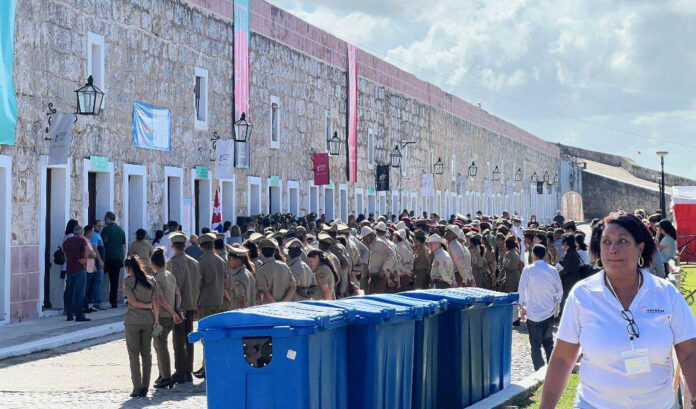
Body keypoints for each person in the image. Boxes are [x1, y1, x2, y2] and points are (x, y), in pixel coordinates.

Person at [539, 211, 696, 409]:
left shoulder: (665, 294)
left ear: (640, 248)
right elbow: (562, 358)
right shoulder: (583, 295)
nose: (613, 249)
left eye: (622, 241)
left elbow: (690, 352)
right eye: (606, 242)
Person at [518, 244, 563, 370]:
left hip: (532, 312)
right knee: (548, 342)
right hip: (548, 311)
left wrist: (522, 307)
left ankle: (539, 368)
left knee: (535, 344)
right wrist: (555, 302)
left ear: (533, 254)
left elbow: (521, 289)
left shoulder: (528, 270)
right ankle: (551, 368)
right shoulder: (552, 270)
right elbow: (559, 290)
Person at [122, 255, 161, 398]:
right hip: (148, 319)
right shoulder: (151, 280)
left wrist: (146, 305)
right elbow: (156, 302)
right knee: (147, 354)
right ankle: (145, 386)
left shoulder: (128, 282)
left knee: (134, 355)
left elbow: (133, 303)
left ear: (128, 268)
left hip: (133, 321)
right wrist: (156, 319)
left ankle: (136, 387)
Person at [166, 232, 200, 385]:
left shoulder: (173, 262)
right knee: (189, 339)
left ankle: (180, 371)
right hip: (192, 303)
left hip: (180, 305)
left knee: (178, 341)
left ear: (173, 246)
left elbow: (175, 287)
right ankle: (188, 371)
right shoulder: (194, 262)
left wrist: (175, 308)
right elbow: (198, 284)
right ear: (185, 246)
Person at [194, 232, 229, 379]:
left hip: (205, 302)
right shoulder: (221, 260)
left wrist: (195, 302)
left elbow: (198, 284)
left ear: (201, 247)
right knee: (216, 333)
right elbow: (226, 281)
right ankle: (212, 363)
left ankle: (207, 365)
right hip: (218, 301)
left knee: (206, 335)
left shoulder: (201, 262)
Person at [150, 248, 184, 390]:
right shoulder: (170, 275)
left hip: (163, 316)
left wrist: (167, 314)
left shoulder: (157, 278)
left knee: (160, 345)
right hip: (171, 316)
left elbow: (159, 299)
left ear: (153, 264)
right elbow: (177, 294)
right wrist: (177, 310)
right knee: (159, 345)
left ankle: (166, 376)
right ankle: (162, 373)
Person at [63, 224, 95, 322]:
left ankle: (69, 314)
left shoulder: (67, 241)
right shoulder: (82, 240)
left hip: (70, 269)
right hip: (80, 268)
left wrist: (69, 263)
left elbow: (65, 255)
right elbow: (89, 252)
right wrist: (85, 259)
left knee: (69, 292)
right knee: (80, 293)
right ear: (81, 232)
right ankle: (79, 315)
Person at [256, 238, 297, 303]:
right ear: (274, 252)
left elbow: (265, 292)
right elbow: (293, 287)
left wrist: (276, 305)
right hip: (285, 307)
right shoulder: (284, 266)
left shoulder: (261, 270)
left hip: (269, 308)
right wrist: (283, 302)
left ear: (260, 252)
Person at [360, 226, 397, 295]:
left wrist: (384, 269)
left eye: (364, 238)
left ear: (368, 236)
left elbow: (392, 254)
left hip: (379, 276)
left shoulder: (380, 243)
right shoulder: (372, 245)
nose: (363, 240)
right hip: (373, 276)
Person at [102, 211, 126, 308]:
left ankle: (94, 299)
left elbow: (102, 244)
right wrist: (122, 258)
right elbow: (124, 246)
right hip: (118, 259)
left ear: (108, 219)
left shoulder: (106, 230)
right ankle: (113, 302)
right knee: (114, 281)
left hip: (107, 258)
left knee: (98, 279)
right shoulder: (121, 231)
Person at [558, 233, 582, 302]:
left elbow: (565, 269)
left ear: (566, 243)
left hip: (570, 283)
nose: (562, 245)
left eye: (562, 242)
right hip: (574, 281)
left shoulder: (570, 254)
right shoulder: (574, 252)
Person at [82, 225, 100, 314]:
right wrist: (93, 255)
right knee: (86, 288)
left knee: (88, 288)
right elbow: (91, 254)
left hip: (91, 267)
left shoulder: (88, 241)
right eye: (92, 231)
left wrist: (94, 267)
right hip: (86, 268)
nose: (93, 233)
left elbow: (92, 254)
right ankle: (85, 306)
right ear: (88, 232)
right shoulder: (84, 240)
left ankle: (87, 305)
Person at [89, 220, 107, 310]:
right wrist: (100, 261)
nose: (100, 228)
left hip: (98, 262)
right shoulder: (95, 236)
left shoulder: (98, 235)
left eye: (101, 226)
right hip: (97, 262)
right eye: (99, 226)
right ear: (94, 226)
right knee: (97, 281)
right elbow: (95, 249)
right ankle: (97, 301)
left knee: (98, 281)